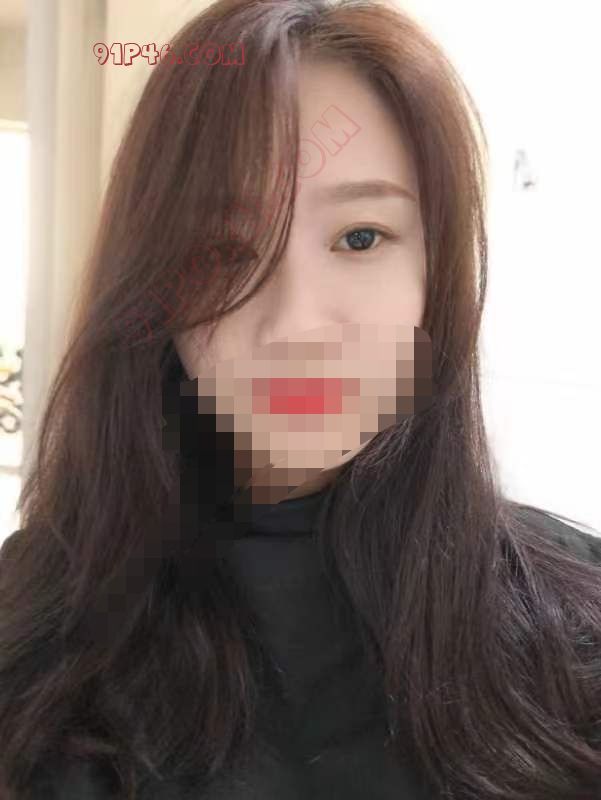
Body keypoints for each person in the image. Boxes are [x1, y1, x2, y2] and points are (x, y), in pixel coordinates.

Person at [1, 1, 600, 798]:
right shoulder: (37, 614)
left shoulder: (574, 618)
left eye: (360, 237)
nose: (295, 325)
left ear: (436, 275)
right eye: (224, 252)